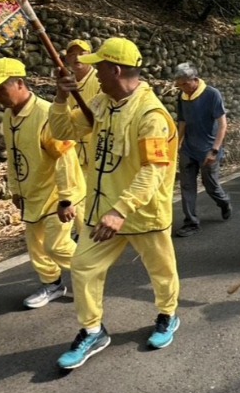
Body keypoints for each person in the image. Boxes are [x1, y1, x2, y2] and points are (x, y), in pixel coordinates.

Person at [48, 37, 182, 369]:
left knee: (160, 269)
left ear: (116, 70)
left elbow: (153, 169)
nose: (93, 72)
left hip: (141, 212)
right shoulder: (101, 103)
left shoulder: (151, 115)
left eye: (99, 67)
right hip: (101, 210)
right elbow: (63, 130)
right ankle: (93, 330)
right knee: (83, 267)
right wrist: (62, 97)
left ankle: (167, 314)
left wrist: (122, 210)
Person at [0, 58, 87, 309]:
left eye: (1, 89)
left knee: (56, 246)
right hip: (31, 192)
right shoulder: (9, 116)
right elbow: (14, 155)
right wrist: (15, 190)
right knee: (36, 246)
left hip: (57, 193)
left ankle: (91, 273)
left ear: (19, 83)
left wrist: (66, 199)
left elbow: (65, 159)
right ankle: (52, 284)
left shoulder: (45, 115)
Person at [173, 62, 232, 238]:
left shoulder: (212, 94)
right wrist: (176, 144)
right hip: (188, 149)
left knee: (211, 186)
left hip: (208, 149)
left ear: (195, 79)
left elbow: (222, 124)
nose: (182, 88)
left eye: (185, 84)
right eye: (179, 85)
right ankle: (191, 222)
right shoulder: (182, 96)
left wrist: (214, 150)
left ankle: (224, 202)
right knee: (187, 186)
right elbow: (182, 122)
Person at [63, 39, 101, 164]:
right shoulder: (67, 84)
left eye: (81, 54)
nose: (77, 58)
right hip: (72, 152)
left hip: (95, 152)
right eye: (72, 54)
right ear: (67, 59)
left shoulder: (100, 80)